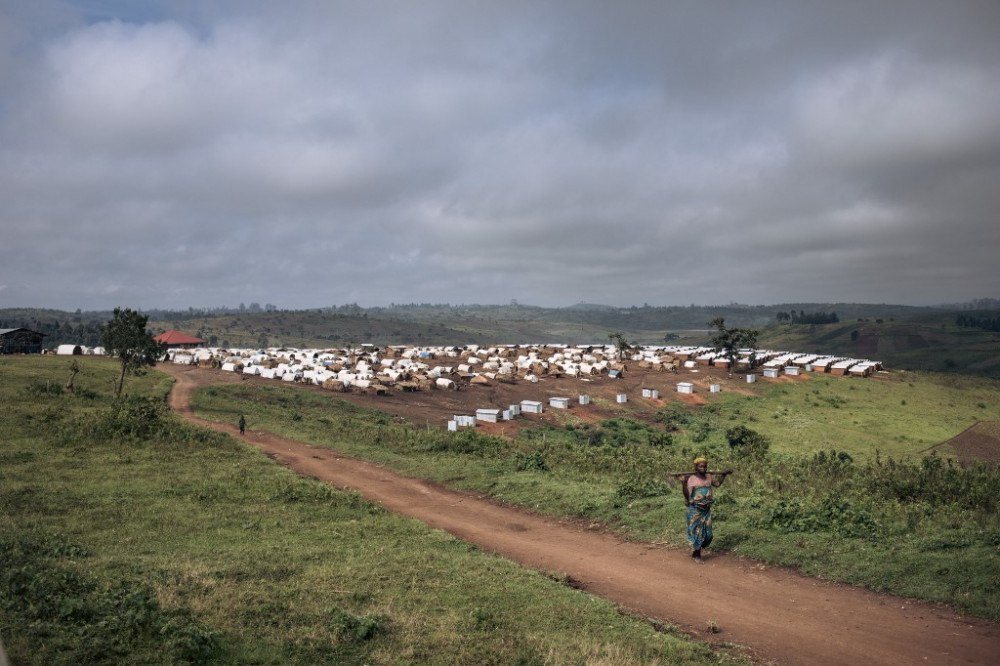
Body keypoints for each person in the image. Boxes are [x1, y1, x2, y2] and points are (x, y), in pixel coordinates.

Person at [682, 457, 732, 562]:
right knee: (696, 532)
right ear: (696, 467)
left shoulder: (709, 477)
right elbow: (687, 495)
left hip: (706, 509)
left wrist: (724, 475)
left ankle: (696, 550)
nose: (703, 468)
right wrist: (684, 483)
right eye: (701, 466)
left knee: (708, 534)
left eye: (705, 466)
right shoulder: (691, 479)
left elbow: (717, 484)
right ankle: (697, 555)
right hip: (695, 509)